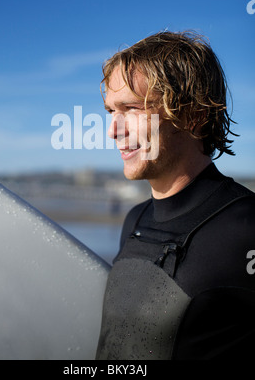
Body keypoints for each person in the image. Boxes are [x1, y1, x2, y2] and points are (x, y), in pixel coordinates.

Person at [96, 31, 255, 360]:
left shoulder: (246, 227)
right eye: (112, 111)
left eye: (131, 108)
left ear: (193, 116)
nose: (113, 129)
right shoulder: (135, 221)